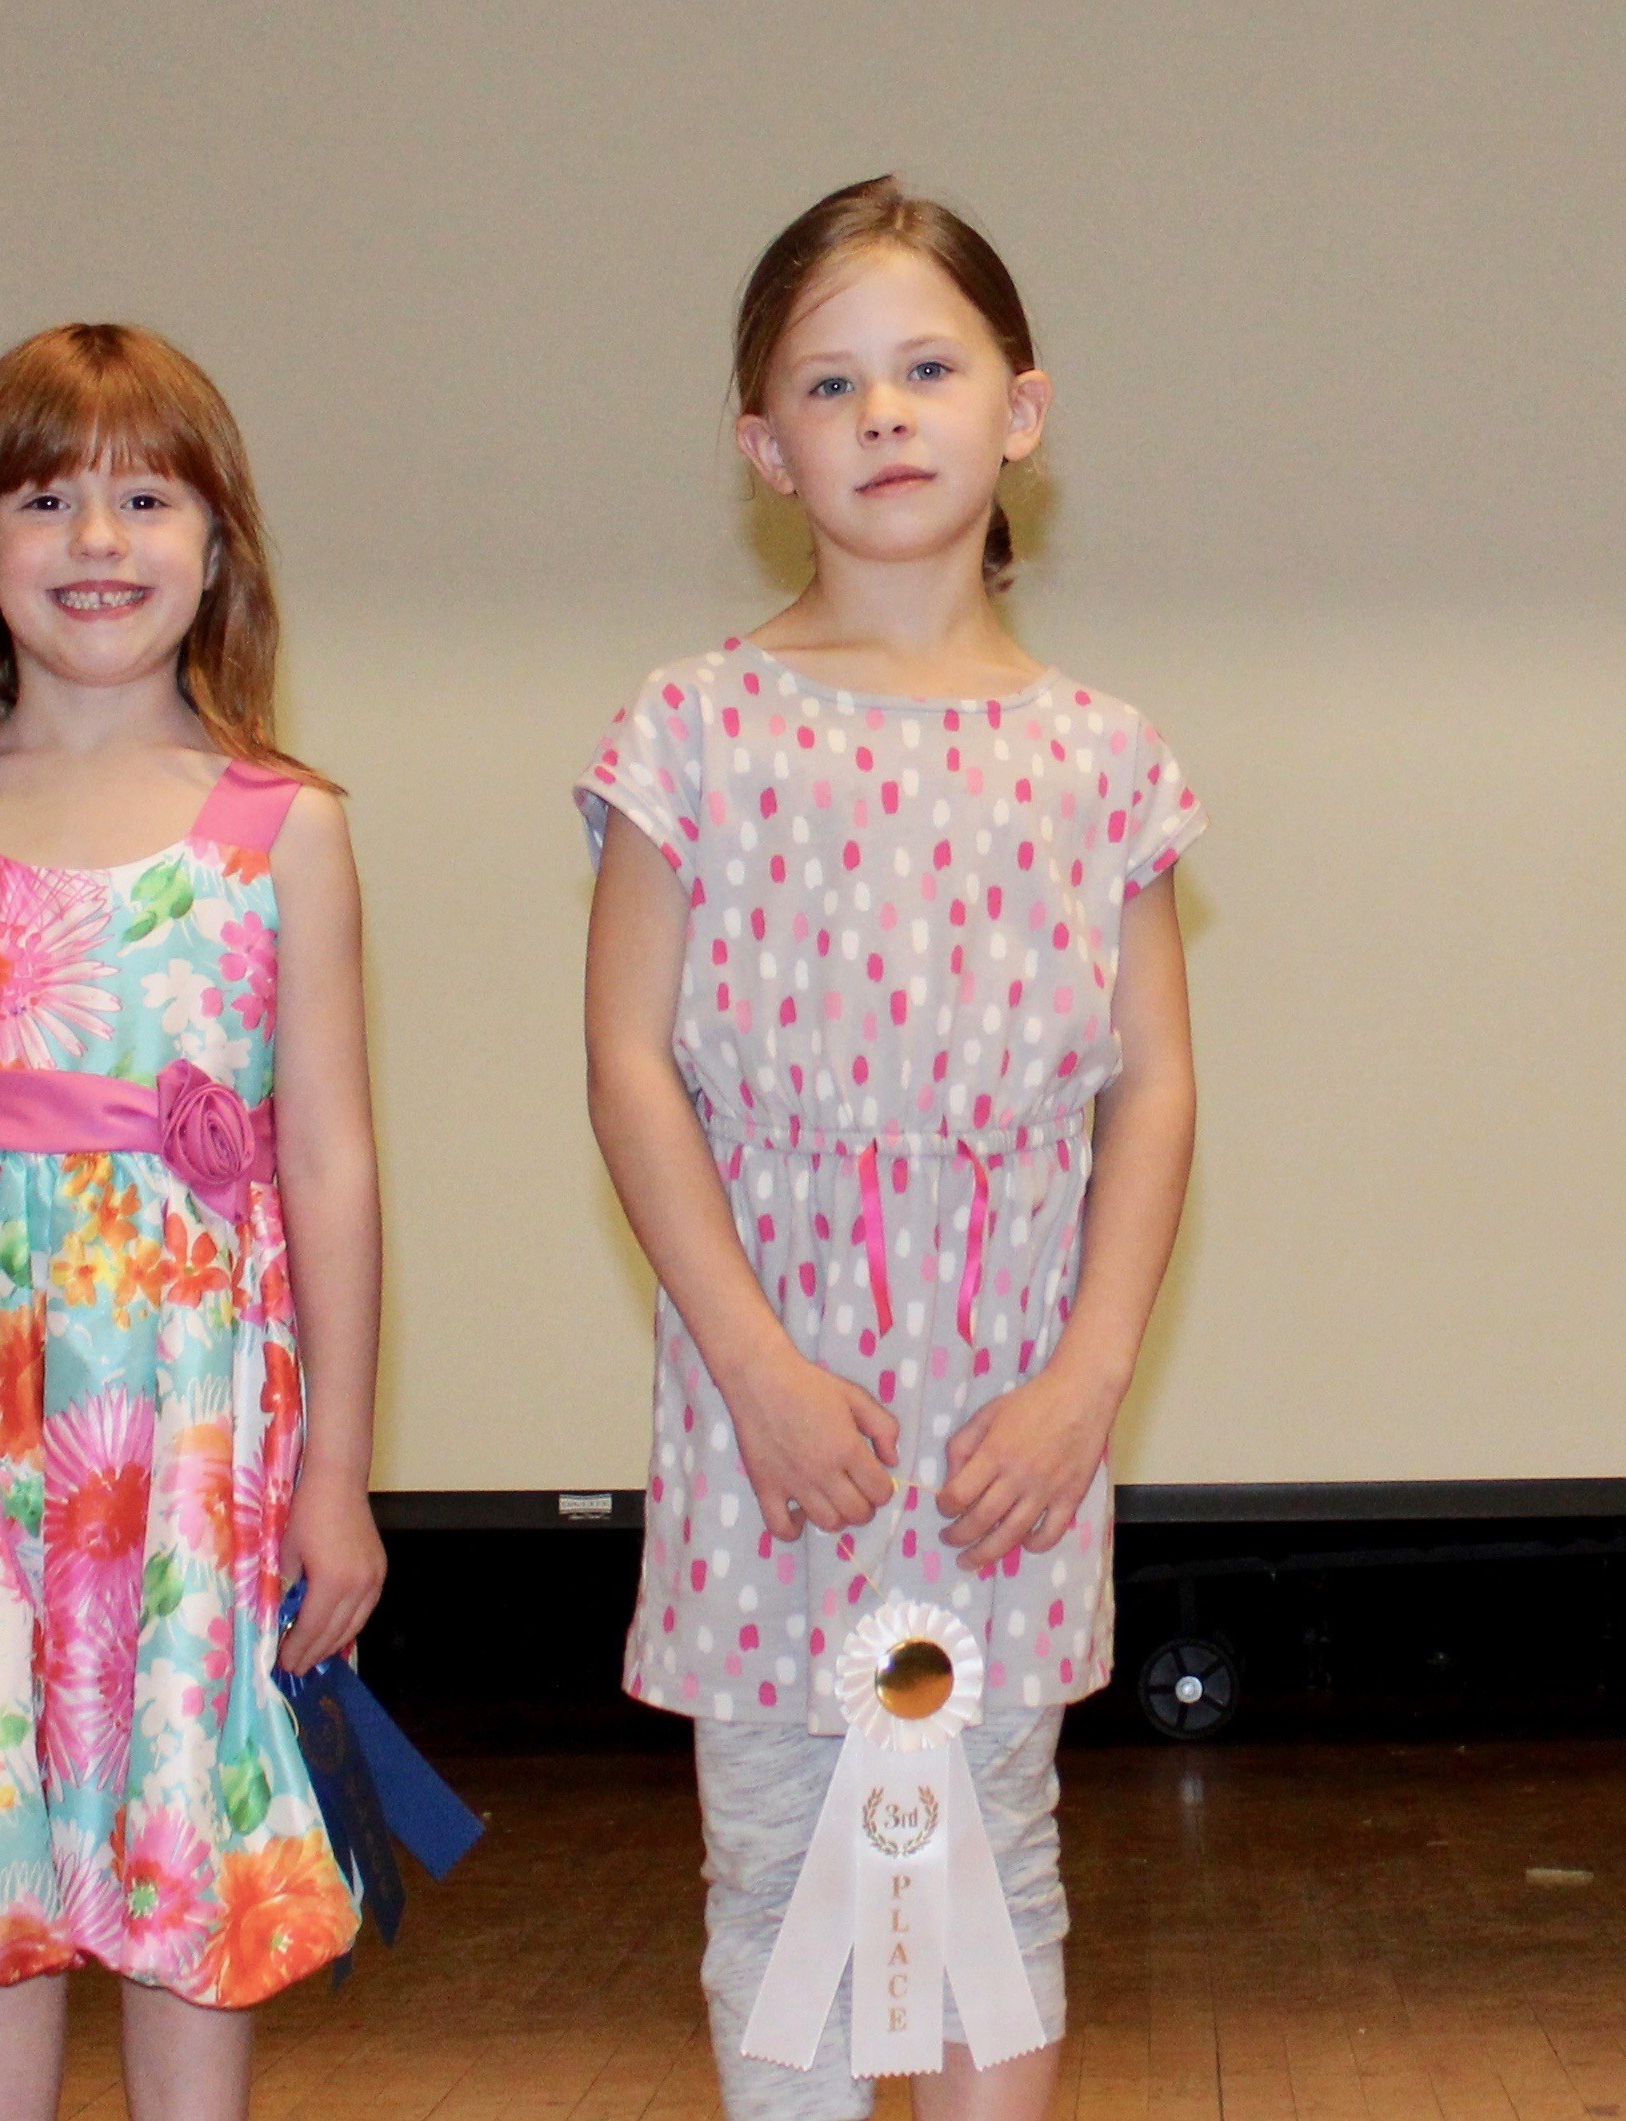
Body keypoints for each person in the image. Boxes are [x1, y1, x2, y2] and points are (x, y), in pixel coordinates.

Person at [579, 176, 1204, 2121]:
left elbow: (1154, 1085)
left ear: (1020, 406)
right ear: (764, 446)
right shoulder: (691, 726)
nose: (885, 413)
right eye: (832, 384)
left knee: (989, 1860)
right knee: (783, 1867)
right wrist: (755, 1366)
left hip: (1007, 1424)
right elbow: (624, 1061)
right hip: (780, 1430)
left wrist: (1088, 1373)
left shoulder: (1100, 752)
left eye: (928, 368)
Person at [0, 324, 387, 2121]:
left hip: (189, 1434)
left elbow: (332, 1161)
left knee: (184, 1839)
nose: (96, 537)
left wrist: (336, 1471)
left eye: (145, 494)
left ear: (219, 547)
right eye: (43, 497)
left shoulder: (285, 830)